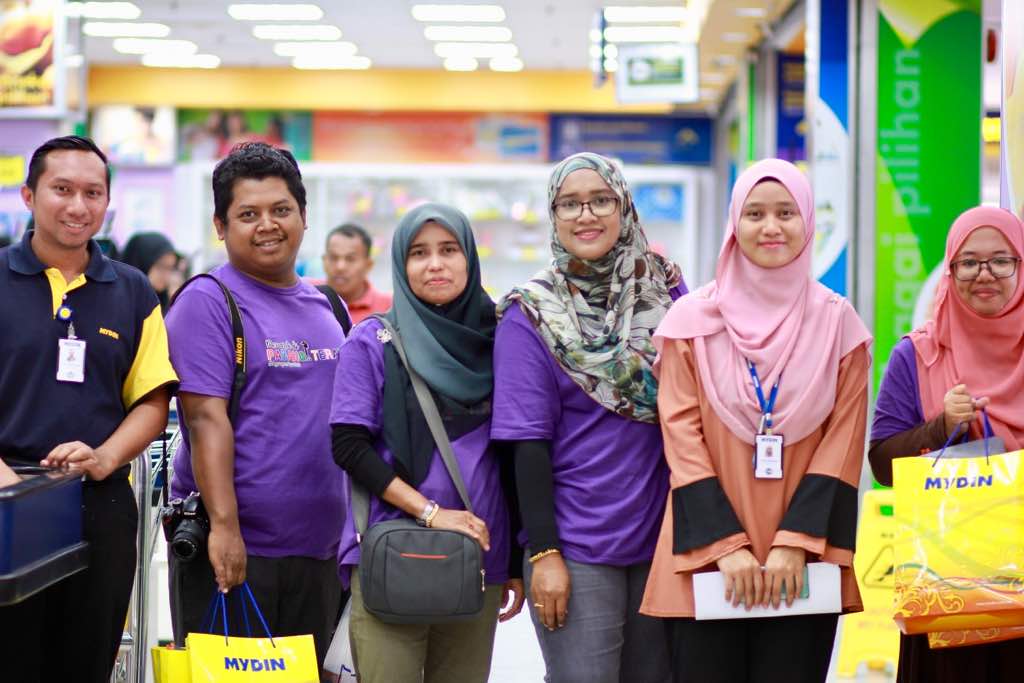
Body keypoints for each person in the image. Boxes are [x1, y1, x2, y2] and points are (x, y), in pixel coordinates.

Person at [640, 159, 872, 683]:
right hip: (706, 553)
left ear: (808, 221)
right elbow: (681, 439)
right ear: (734, 223)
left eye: (786, 213)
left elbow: (843, 442)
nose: (771, 227)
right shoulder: (690, 322)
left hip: (803, 557)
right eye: (755, 213)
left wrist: (796, 543)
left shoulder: (839, 324)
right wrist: (725, 548)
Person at [491, 152, 686, 683]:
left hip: (663, 540)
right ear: (553, 215)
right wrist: (544, 553)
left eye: (601, 200)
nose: (586, 215)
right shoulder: (531, 314)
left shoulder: (666, 293)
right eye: (569, 204)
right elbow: (526, 444)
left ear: (624, 207)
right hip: (577, 547)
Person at [0, 135, 177, 682]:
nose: (78, 206)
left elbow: (152, 399)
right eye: (62, 189)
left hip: (99, 506)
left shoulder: (133, 291)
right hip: (7, 499)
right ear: (29, 196)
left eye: (93, 193)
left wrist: (105, 457)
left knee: (87, 660)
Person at [165, 143, 346, 671]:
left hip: (320, 551)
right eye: (248, 214)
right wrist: (226, 528)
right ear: (221, 226)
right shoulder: (207, 302)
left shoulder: (328, 306)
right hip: (237, 552)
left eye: (281, 209)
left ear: (304, 216)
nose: (267, 225)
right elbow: (205, 419)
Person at [330, 203, 524, 683]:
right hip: (396, 552)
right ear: (401, 264)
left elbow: (514, 454)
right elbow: (349, 446)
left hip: (480, 557)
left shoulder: (501, 339)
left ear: (469, 258)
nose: (435, 264)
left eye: (448, 250)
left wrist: (517, 561)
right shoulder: (372, 342)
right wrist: (432, 513)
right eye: (419, 253)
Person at [869, 205, 1024, 683]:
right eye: (969, 262)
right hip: (950, 588)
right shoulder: (918, 355)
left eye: (1001, 261)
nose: (985, 274)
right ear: (950, 269)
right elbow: (881, 464)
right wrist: (939, 427)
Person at [322, 223, 392, 324]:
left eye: (350, 259)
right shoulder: (308, 298)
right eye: (333, 258)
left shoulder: (388, 309)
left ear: (368, 265)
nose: (340, 267)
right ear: (324, 261)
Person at [120, 231, 179, 311]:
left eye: (170, 268)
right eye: (161, 266)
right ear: (142, 262)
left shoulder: (165, 302)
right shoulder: (117, 302)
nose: (167, 275)